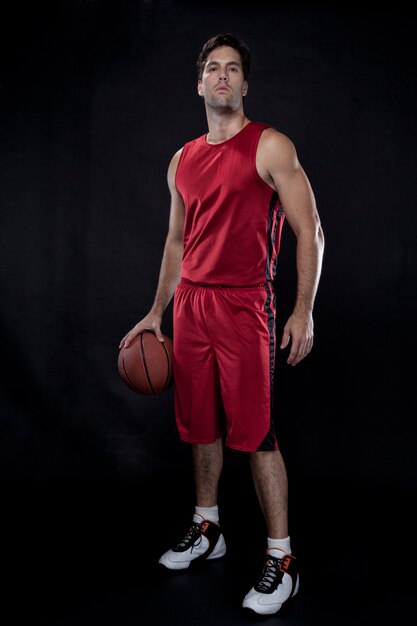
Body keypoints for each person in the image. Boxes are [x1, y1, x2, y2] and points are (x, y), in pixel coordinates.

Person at [119, 33, 324, 616]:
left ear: (245, 84)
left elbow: (311, 230)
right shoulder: (181, 159)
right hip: (191, 306)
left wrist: (302, 308)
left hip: (245, 307)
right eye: (213, 68)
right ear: (200, 82)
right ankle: (207, 529)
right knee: (200, 425)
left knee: (257, 435)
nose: (223, 77)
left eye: (234, 69)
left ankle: (281, 561)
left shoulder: (271, 147)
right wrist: (157, 310)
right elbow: (178, 240)